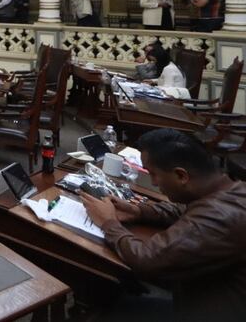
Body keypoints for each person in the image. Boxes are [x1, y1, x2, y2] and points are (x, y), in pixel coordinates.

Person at [81, 129, 246, 319]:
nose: (153, 183)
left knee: (107, 306)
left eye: (153, 174)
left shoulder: (219, 216)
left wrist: (108, 222)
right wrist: (138, 211)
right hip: (203, 293)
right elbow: (183, 210)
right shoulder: (230, 189)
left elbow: (147, 259)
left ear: (181, 176)